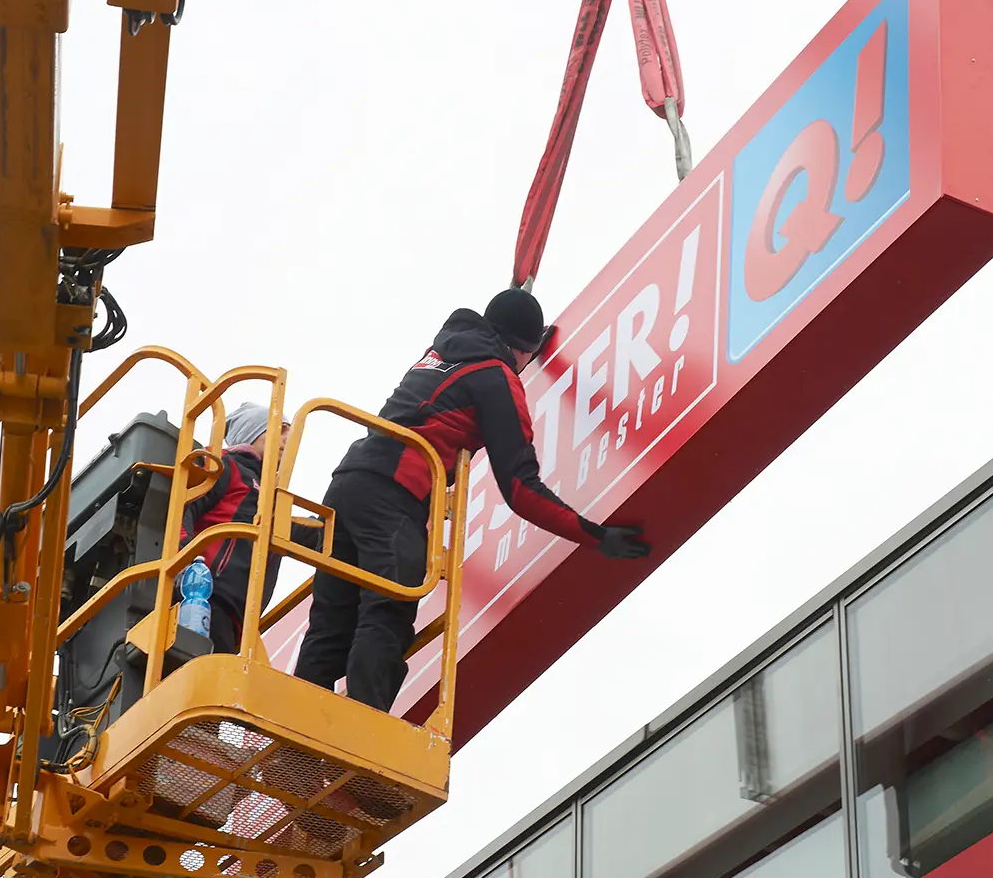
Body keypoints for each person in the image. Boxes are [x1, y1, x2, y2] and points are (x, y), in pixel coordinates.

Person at [295, 287, 651, 711]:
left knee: (330, 626)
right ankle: (362, 729)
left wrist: (520, 351)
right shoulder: (497, 377)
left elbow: (474, 371)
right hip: (393, 497)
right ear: (522, 350)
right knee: (388, 611)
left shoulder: (442, 349)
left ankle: (289, 737)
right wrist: (593, 535)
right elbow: (520, 488)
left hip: (345, 485)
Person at [179, 401, 318, 656]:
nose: (287, 438)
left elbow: (306, 533)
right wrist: (187, 562)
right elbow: (181, 508)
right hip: (205, 599)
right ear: (251, 432)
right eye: (280, 429)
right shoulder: (224, 466)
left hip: (238, 621)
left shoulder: (269, 498)